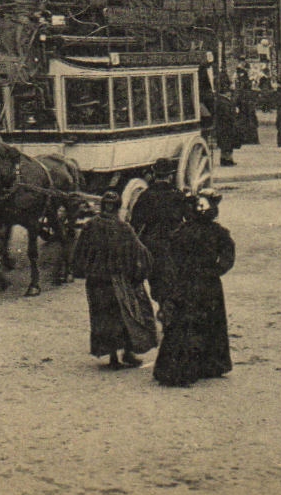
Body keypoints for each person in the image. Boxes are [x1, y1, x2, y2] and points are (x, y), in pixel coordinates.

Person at [153, 191, 236, 388]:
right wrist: (214, 271)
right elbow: (227, 258)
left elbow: (170, 257)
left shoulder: (181, 231)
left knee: (184, 323)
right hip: (208, 284)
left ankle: (182, 366)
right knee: (211, 322)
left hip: (185, 282)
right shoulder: (219, 233)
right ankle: (211, 364)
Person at [70, 192, 157, 369]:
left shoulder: (91, 226)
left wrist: (82, 271)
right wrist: (137, 276)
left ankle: (112, 357)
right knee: (125, 316)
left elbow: (79, 254)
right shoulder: (124, 228)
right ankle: (128, 352)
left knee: (102, 317)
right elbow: (140, 254)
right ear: (117, 208)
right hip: (118, 281)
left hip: (96, 281)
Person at [128, 157, 192, 309]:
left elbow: (135, 223)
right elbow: (190, 219)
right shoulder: (177, 195)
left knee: (157, 279)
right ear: (170, 176)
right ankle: (172, 310)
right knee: (176, 278)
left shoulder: (145, 196)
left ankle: (163, 307)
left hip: (152, 244)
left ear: (154, 175)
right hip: (175, 242)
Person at [211, 88, 241, 168]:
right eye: (229, 92)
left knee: (226, 143)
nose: (230, 94)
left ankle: (225, 159)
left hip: (223, 126)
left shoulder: (221, 100)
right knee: (227, 143)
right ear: (226, 92)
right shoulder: (223, 102)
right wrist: (235, 112)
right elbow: (227, 114)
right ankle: (227, 160)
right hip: (226, 125)